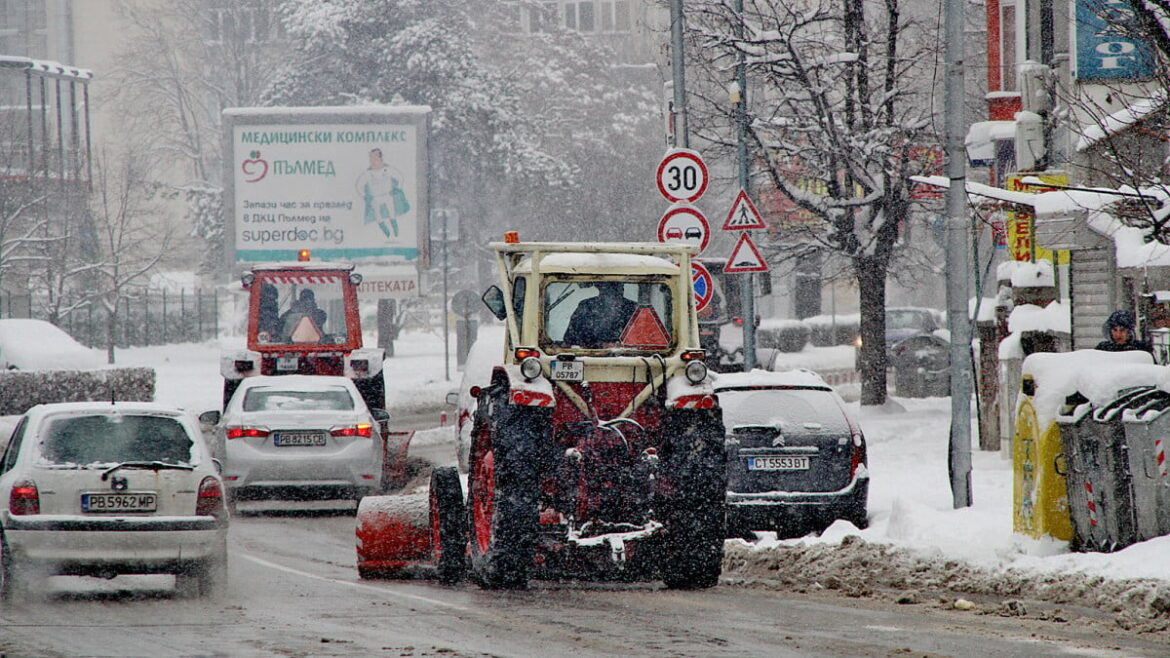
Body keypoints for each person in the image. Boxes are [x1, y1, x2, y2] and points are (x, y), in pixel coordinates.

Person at [355, 148, 410, 240]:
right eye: (371, 159)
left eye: (375, 158)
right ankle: (386, 232)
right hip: (375, 198)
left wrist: (397, 189)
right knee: (378, 215)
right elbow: (358, 185)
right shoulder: (367, 173)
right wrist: (365, 195)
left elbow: (400, 177)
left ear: (380, 159)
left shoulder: (387, 170)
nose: (373, 161)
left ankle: (396, 230)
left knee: (391, 212)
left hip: (388, 195)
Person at [562, 282, 638, 348]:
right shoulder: (586, 306)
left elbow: (642, 341)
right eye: (609, 287)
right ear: (600, 288)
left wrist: (621, 346)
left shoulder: (633, 308)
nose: (616, 290)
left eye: (619, 286)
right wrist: (599, 345)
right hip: (591, 358)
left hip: (627, 358)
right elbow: (571, 340)